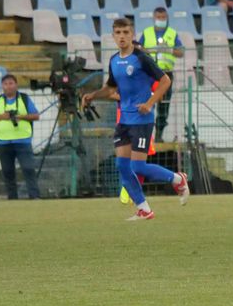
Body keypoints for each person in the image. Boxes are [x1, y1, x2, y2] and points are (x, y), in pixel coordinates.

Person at [81, 17, 190, 220]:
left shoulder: (141, 58)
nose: (122, 36)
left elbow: (165, 81)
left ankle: (178, 179)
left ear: (132, 34)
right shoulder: (114, 60)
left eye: (126, 32)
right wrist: (92, 96)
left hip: (142, 120)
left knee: (138, 166)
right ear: (113, 36)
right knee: (122, 166)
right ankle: (144, 209)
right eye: (118, 33)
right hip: (124, 121)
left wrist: (149, 103)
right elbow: (110, 88)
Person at [0, 74, 41, 200]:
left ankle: (34, 196)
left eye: (11, 83)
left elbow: (36, 115)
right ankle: (12, 198)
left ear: (16, 85)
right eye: (5, 84)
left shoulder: (24, 98)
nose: (8, 86)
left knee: (28, 169)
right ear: (2, 86)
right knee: (8, 172)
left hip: (23, 141)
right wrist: (2, 116)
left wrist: (20, 116)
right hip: (3, 143)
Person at [134, 7, 183, 141]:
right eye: (159, 17)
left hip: (166, 75)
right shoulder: (147, 33)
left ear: (167, 18)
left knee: (163, 107)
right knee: (147, 103)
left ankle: (158, 137)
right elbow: (138, 49)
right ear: (154, 18)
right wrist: (150, 50)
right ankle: (145, 137)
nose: (161, 20)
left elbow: (181, 52)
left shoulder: (172, 33)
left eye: (163, 17)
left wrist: (169, 50)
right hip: (149, 74)